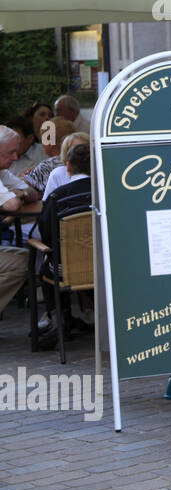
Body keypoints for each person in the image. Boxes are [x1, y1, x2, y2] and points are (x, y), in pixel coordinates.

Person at [33, 143, 93, 349]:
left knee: (47, 265)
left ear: (68, 167)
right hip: (104, 267)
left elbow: (46, 234)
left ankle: (58, 320)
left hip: (65, 270)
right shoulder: (106, 193)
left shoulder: (58, 197)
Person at [0, 126, 39, 315]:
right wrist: (18, 195)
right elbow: (11, 205)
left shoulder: (3, 172)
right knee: (21, 263)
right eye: (11, 152)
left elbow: (32, 193)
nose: (16, 157)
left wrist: (20, 193)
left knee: (24, 258)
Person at [22, 117, 77, 196]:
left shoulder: (47, 166)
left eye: (42, 140)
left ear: (49, 143)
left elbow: (22, 186)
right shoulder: (80, 161)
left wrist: (22, 176)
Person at [41, 132, 90, 199]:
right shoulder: (57, 174)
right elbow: (48, 203)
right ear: (66, 153)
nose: (80, 153)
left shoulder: (101, 171)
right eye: (74, 149)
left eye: (84, 148)